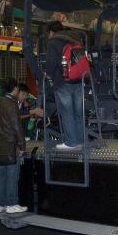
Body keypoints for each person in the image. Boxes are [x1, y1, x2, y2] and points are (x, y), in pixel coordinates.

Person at [45, 21, 85, 150]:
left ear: (51, 32)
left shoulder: (53, 42)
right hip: (78, 80)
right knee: (78, 112)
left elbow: (51, 63)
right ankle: (80, 140)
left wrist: (48, 74)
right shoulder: (75, 39)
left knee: (67, 112)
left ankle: (71, 142)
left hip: (62, 82)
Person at [0, 78, 28, 214]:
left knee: (1, 175)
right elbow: (16, 126)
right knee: (12, 175)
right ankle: (12, 203)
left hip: (0, 144)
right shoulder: (11, 104)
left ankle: (0, 204)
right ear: (15, 89)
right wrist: (22, 145)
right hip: (11, 144)